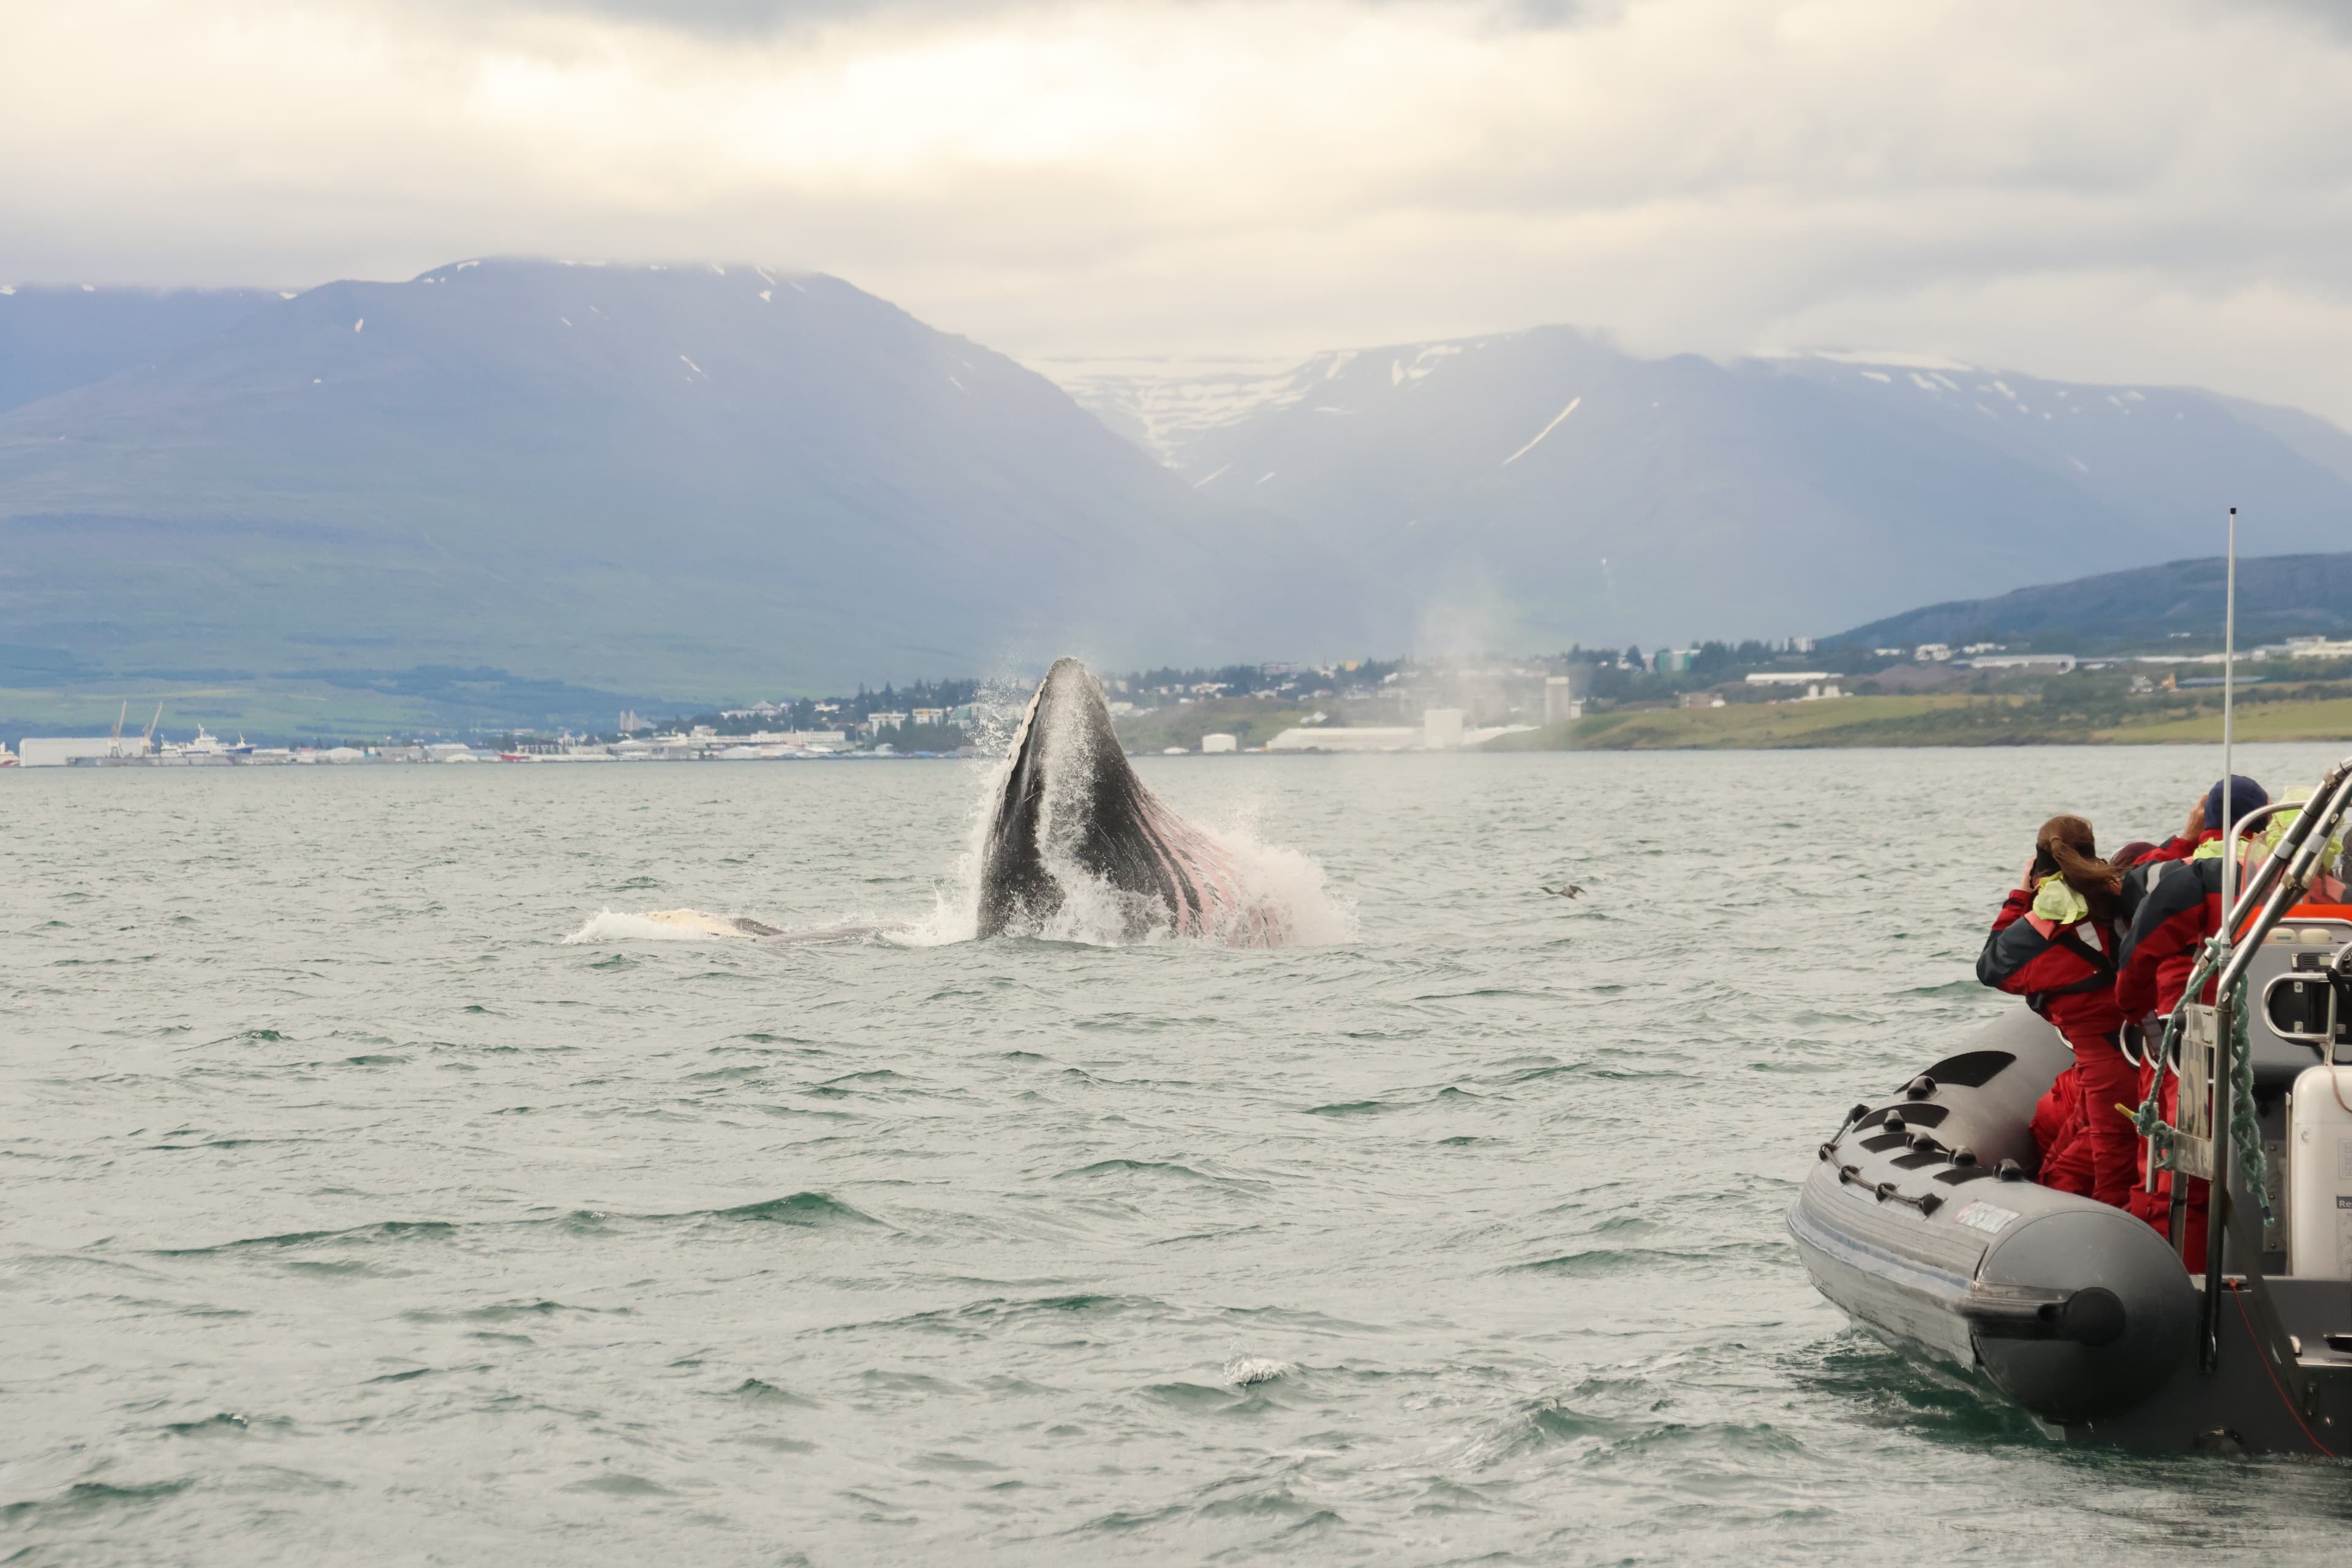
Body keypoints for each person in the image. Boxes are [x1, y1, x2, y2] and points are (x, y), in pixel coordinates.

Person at [2114, 776, 2270, 1257]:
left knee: (2171, 1169)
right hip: (2275, 1036)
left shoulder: (2186, 877)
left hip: (2188, 1045)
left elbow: (2136, 959)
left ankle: (2180, 1278)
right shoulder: (2296, 879)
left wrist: (2138, 1017)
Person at [1978, 816, 2139, 1207]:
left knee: (2104, 1179)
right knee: (2064, 1164)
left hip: (2111, 1072)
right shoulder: (2127, 900)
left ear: (2038, 869)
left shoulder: (2049, 937)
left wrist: (2022, 898)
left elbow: (1992, 967)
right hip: (2131, 1058)